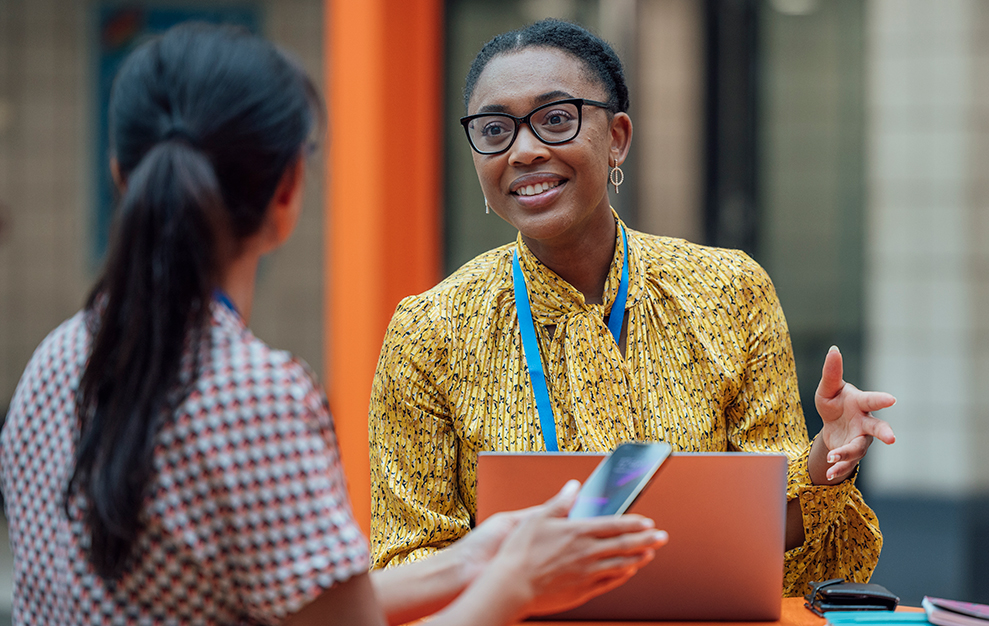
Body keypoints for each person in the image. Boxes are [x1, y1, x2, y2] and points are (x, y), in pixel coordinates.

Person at [0, 23, 666, 626]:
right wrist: (518, 584)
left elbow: (319, 604)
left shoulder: (56, 359)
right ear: (289, 191)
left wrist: (481, 557)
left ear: (121, 175)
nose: (525, 151)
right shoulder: (256, 394)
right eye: (495, 129)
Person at [369, 18, 897, 596]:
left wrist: (823, 462)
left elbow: (784, 555)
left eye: (555, 119)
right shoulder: (430, 331)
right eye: (495, 130)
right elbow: (407, 561)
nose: (523, 150)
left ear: (617, 136)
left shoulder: (729, 291)